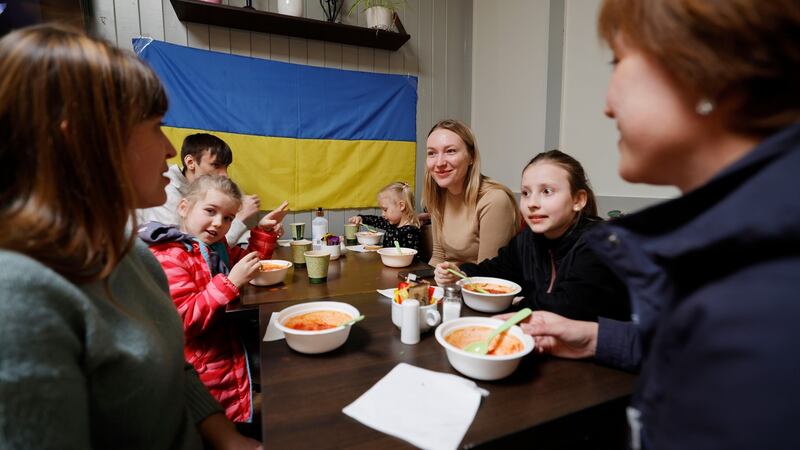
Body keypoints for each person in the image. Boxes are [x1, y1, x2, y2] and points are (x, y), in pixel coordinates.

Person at [513, 1, 800, 448]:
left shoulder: (769, 283)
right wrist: (595, 338)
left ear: (704, 70)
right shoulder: (745, 231)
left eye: (619, 62)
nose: (607, 105)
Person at [0, 24, 261, 449]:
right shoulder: (18, 299)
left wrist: (227, 438)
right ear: (84, 138)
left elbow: (172, 367)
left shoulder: (134, 258)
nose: (171, 151)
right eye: (154, 126)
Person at [139, 175, 287, 424]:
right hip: (201, 368)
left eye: (228, 217)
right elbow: (184, 320)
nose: (219, 223)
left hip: (226, 354)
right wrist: (230, 283)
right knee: (212, 424)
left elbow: (248, 263)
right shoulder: (170, 256)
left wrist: (264, 231)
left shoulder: (215, 247)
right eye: (210, 210)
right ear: (184, 207)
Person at [434, 150, 630, 321]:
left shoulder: (599, 242)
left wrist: (521, 302)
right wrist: (461, 273)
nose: (532, 203)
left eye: (546, 191)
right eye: (526, 193)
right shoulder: (527, 240)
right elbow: (496, 269)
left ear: (578, 200)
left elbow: (571, 307)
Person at [137, 132, 267, 245]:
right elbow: (186, 248)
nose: (225, 174)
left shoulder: (220, 186)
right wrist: (241, 218)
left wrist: (265, 230)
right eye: (216, 165)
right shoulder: (166, 189)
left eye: (226, 167)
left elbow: (235, 243)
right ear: (190, 163)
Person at [424, 119, 520, 265]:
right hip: (449, 285)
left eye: (450, 151)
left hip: (481, 285)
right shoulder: (438, 195)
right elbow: (438, 257)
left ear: (472, 157)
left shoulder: (494, 200)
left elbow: (487, 275)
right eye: (432, 153)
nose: (439, 163)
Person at [347, 181, 421, 250]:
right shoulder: (391, 224)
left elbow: (411, 257)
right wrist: (361, 218)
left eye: (385, 210)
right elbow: (376, 220)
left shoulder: (411, 231)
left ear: (401, 206)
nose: (382, 214)